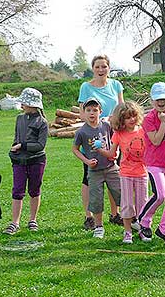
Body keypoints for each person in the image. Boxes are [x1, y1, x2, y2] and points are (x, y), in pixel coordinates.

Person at [77, 54, 124, 230]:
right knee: (89, 175)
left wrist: (113, 119)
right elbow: (82, 113)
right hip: (93, 133)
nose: (101, 70)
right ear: (93, 68)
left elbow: (121, 107)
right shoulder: (86, 87)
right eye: (97, 67)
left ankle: (115, 213)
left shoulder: (116, 85)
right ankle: (89, 217)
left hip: (113, 134)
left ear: (109, 68)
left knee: (114, 173)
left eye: (104, 66)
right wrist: (97, 120)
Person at [137, 82, 165, 247]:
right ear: (152, 101)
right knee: (160, 195)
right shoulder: (149, 119)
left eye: (164, 99)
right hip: (154, 163)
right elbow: (155, 141)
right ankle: (143, 220)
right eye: (158, 100)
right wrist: (162, 122)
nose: (161, 103)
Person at [96, 101, 148, 244]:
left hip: (142, 173)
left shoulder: (144, 131)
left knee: (142, 204)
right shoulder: (119, 134)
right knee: (127, 204)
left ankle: (143, 230)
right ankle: (127, 232)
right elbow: (112, 154)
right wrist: (100, 150)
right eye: (127, 117)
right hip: (125, 174)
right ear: (121, 120)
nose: (132, 119)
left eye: (134, 116)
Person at [72, 97, 121, 239]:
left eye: (95, 110)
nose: (92, 113)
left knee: (121, 194)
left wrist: (116, 152)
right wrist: (87, 161)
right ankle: (99, 226)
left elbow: (114, 141)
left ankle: (129, 221)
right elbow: (75, 149)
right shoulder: (81, 132)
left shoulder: (106, 126)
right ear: (83, 113)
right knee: (96, 199)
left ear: (100, 111)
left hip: (111, 167)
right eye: (88, 110)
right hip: (94, 172)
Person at [3, 88, 48, 235]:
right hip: (19, 161)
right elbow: (16, 138)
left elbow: (40, 145)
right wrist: (13, 150)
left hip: (36, 161)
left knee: (34, 190)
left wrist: (23, 146)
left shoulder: (42, 122)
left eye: (24, 102)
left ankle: (32, 220)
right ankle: (15, 222)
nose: (22, 105)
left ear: (33, 104)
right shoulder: (19, 119)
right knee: (17, 190)